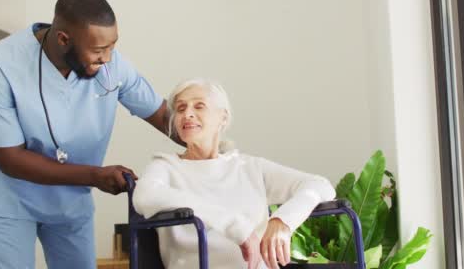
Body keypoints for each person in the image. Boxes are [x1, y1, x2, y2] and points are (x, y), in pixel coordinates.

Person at [0, 0, 175, 269]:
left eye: (112, 46)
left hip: (70, 198)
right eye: (99, 50)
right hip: (8, 197)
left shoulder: (112, 65)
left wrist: (212, 145)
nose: (108, 59)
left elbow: (165, 116)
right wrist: (94, 176)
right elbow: (10, 159)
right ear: (64, 39)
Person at [132, 79, 336, 269]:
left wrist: (282, 222)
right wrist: (233, 225)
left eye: (199, 105)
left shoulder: (249, 167)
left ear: (223, 117)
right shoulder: (165, 166)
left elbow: (319, 185)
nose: (187, 114)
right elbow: (144, 196)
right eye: (181, 108)